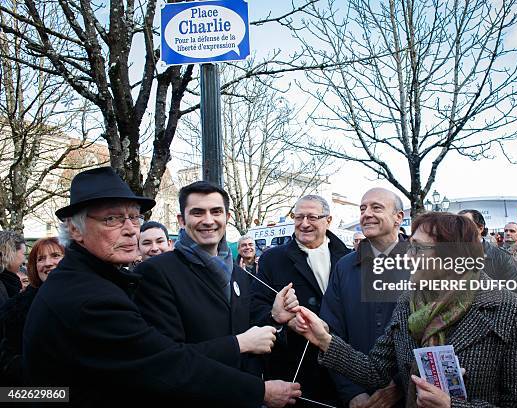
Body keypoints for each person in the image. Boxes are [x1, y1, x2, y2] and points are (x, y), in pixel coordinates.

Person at [23, 167, 300, 407]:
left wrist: (273, 319)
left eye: (134, 217)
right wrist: (259, 390)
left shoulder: (99, 279)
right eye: (112, 218)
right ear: (75, 230)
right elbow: (165, 364)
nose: (131, 228)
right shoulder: (92, 295)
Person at [294, 212, 517, 408]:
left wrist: (451, 405)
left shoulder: (509, 310)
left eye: (418, 248)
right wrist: (324, 340)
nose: (407, 255)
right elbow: (376, 369)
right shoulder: (408, 302)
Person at [134, 182, 289, 379]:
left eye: (216, 212)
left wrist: (274, 318)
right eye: (198, 213)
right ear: (182, 220)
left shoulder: (238, 274)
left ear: (227, 217)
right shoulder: (156, 272)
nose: (208, 220)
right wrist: (239, 344)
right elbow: (164, 358)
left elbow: (247, 329)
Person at [251, 194, 350, 407]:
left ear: (328, 220)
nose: (304, 224)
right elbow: (256, 307)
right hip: (294, 372)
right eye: (298, 217)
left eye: (312, 217)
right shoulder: (272, 259)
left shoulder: (349, 258)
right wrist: (283, 321)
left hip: (342, 370)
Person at [321, 188, 404, 408]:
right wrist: (351, 392)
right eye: (363, 208)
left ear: (398, 217)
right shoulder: (344, 267)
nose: (366, 213)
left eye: (376, 207)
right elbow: (331, 331)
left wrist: (399, 386)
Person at [0, 237, 64, 384]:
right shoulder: (17, 309)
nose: (48, 263)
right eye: (40, 259)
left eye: (55, 256)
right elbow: (8, 359)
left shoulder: (90, 297)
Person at [459, 209, 517, 283]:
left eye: (465, 225)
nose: (460, 229)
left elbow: (516, 292)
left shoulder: (503, 258)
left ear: (480, 228)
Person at [0, 231, 26, 306]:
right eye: (23, 254)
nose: (24, 260)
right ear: (10, 253)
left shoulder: (9, 282)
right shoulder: (7, 285)